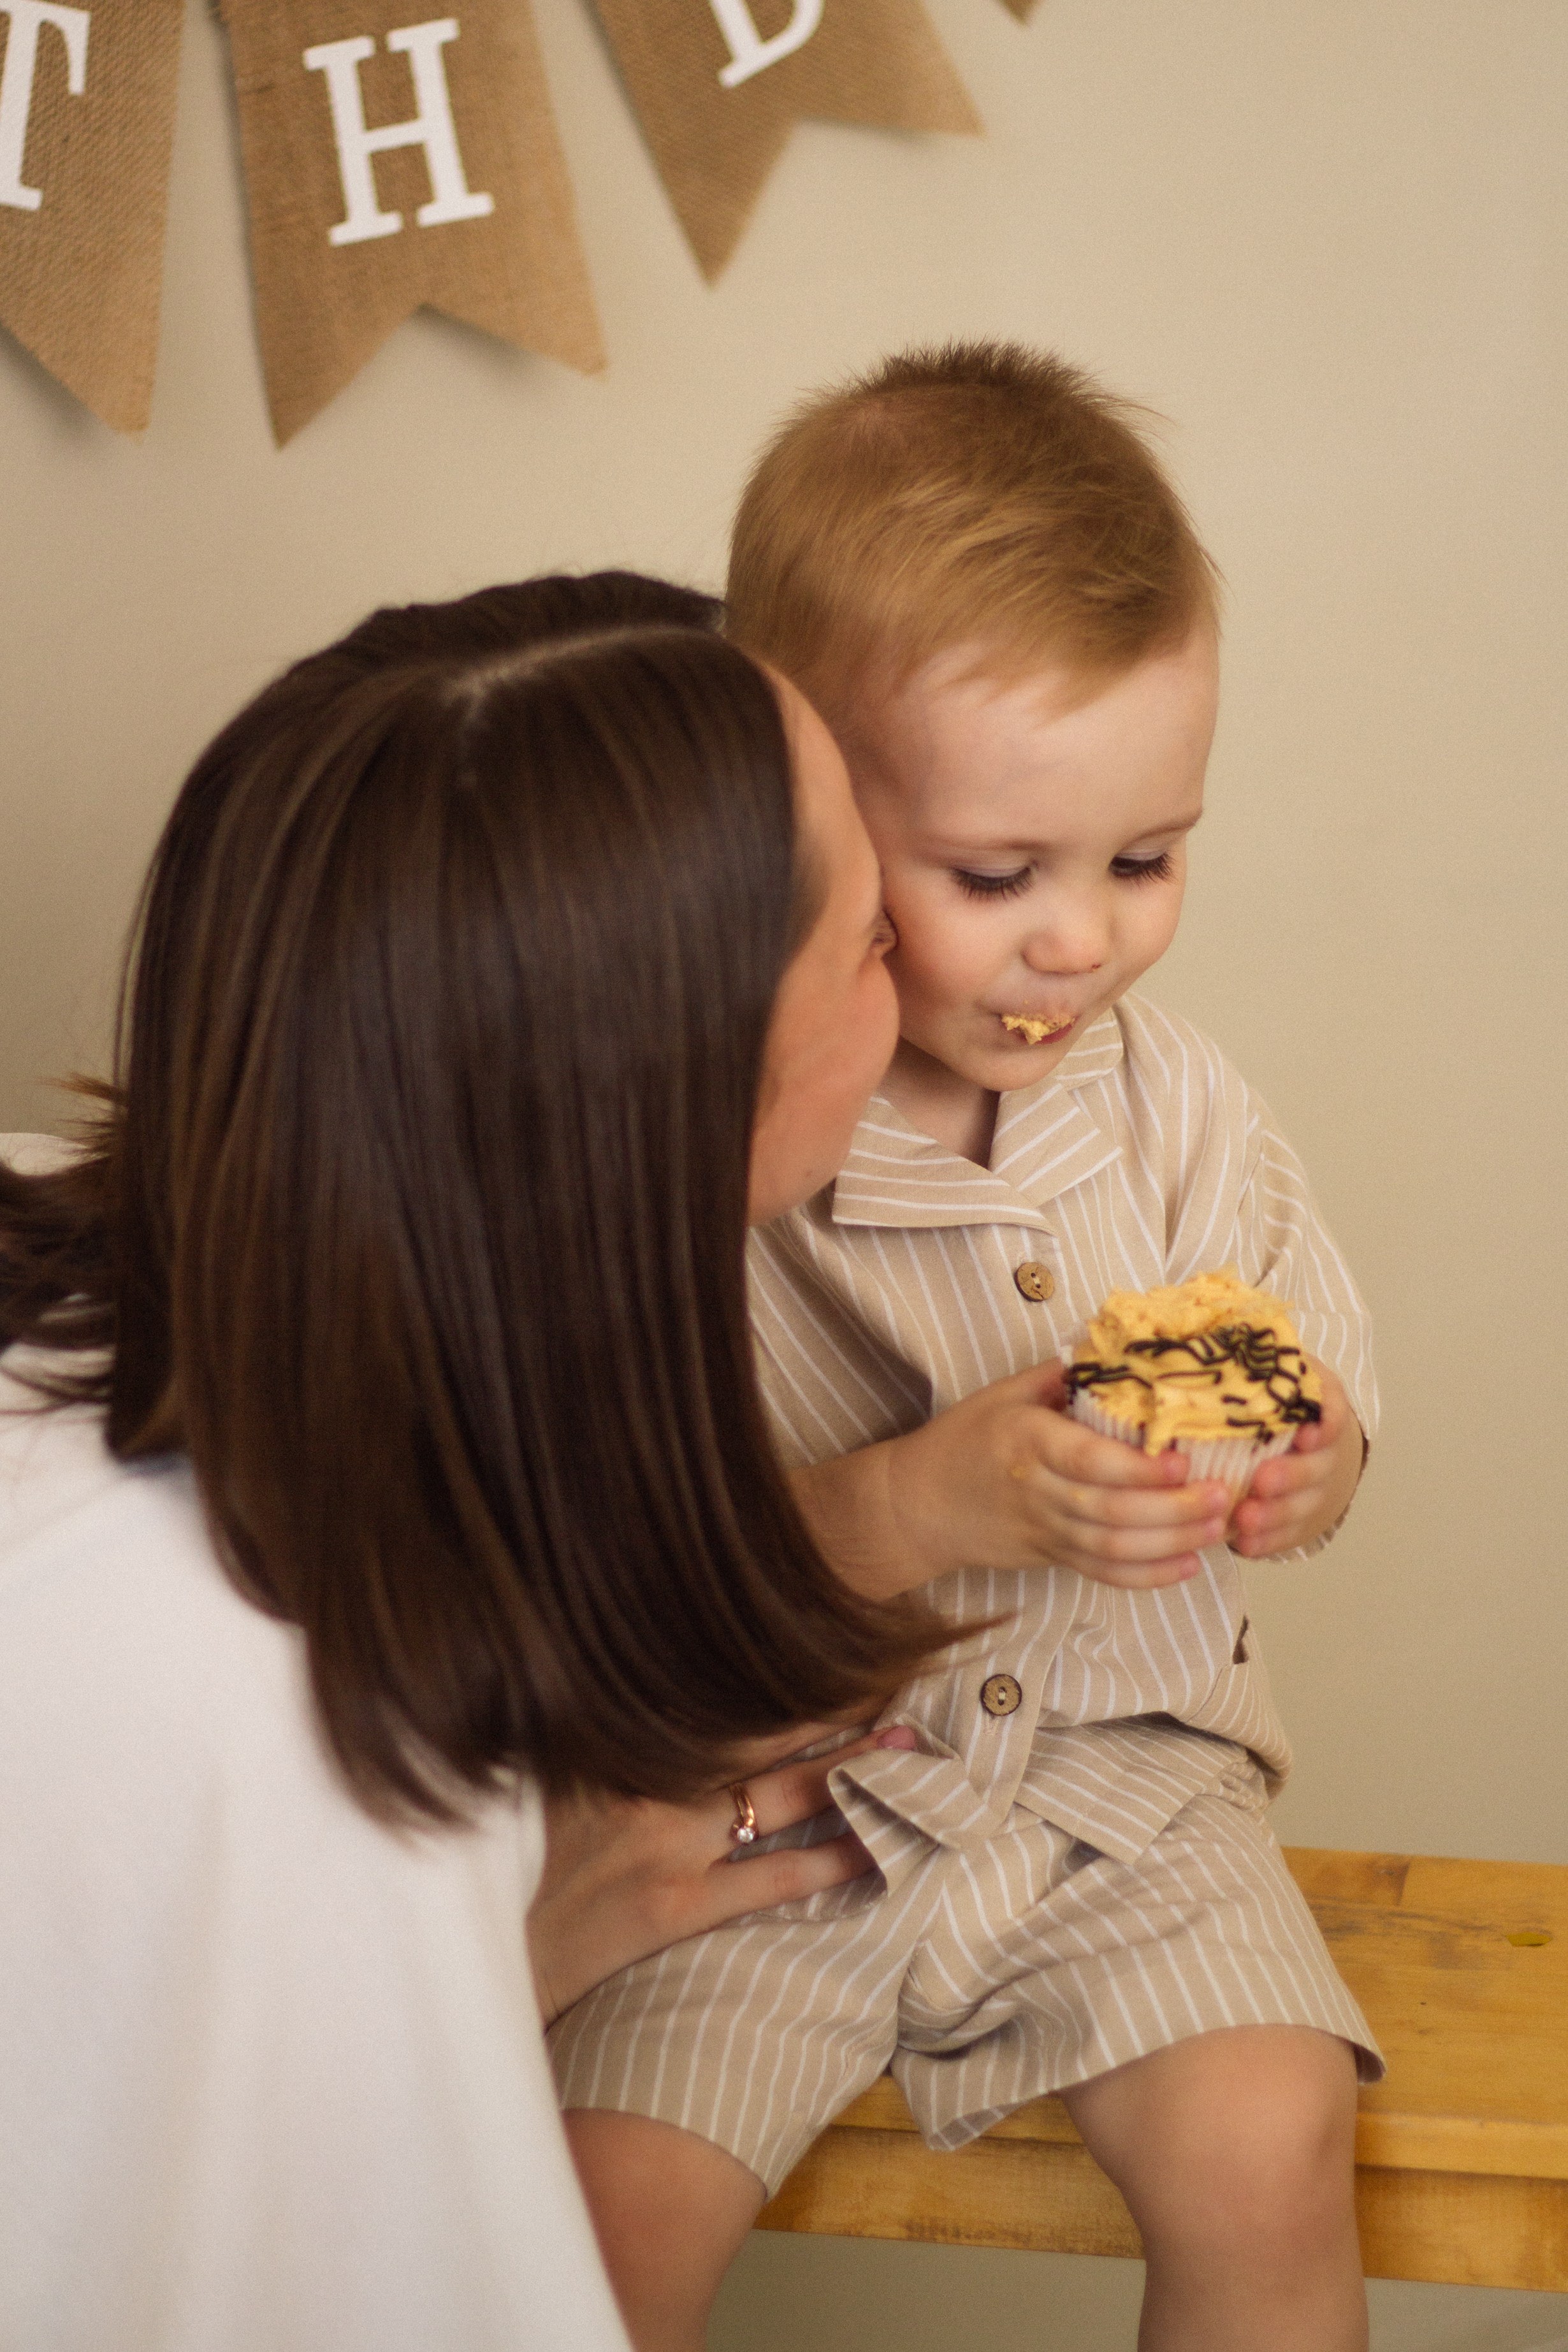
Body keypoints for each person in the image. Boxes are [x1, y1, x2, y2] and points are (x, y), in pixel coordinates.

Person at [0, 571, 949, 2352]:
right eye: (873, 938)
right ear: (677, 1103)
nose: (934, 944)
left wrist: (464, 1969)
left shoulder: (94, 1246)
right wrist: (436, 1973)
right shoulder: (287, 1716)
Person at [553, 346, 1382, 2352]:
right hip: (784, 1810)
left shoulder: (1181, 1110)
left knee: (1270, 2139)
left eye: (1143, 856)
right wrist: (927, 1495)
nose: (1075, 943)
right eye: (993, 875)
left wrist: (1305, 1461)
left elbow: (1320, 1378)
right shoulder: (710, 1160)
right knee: (604, 2206)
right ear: (804, 823)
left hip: (1122, 1789)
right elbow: (651, 1579)